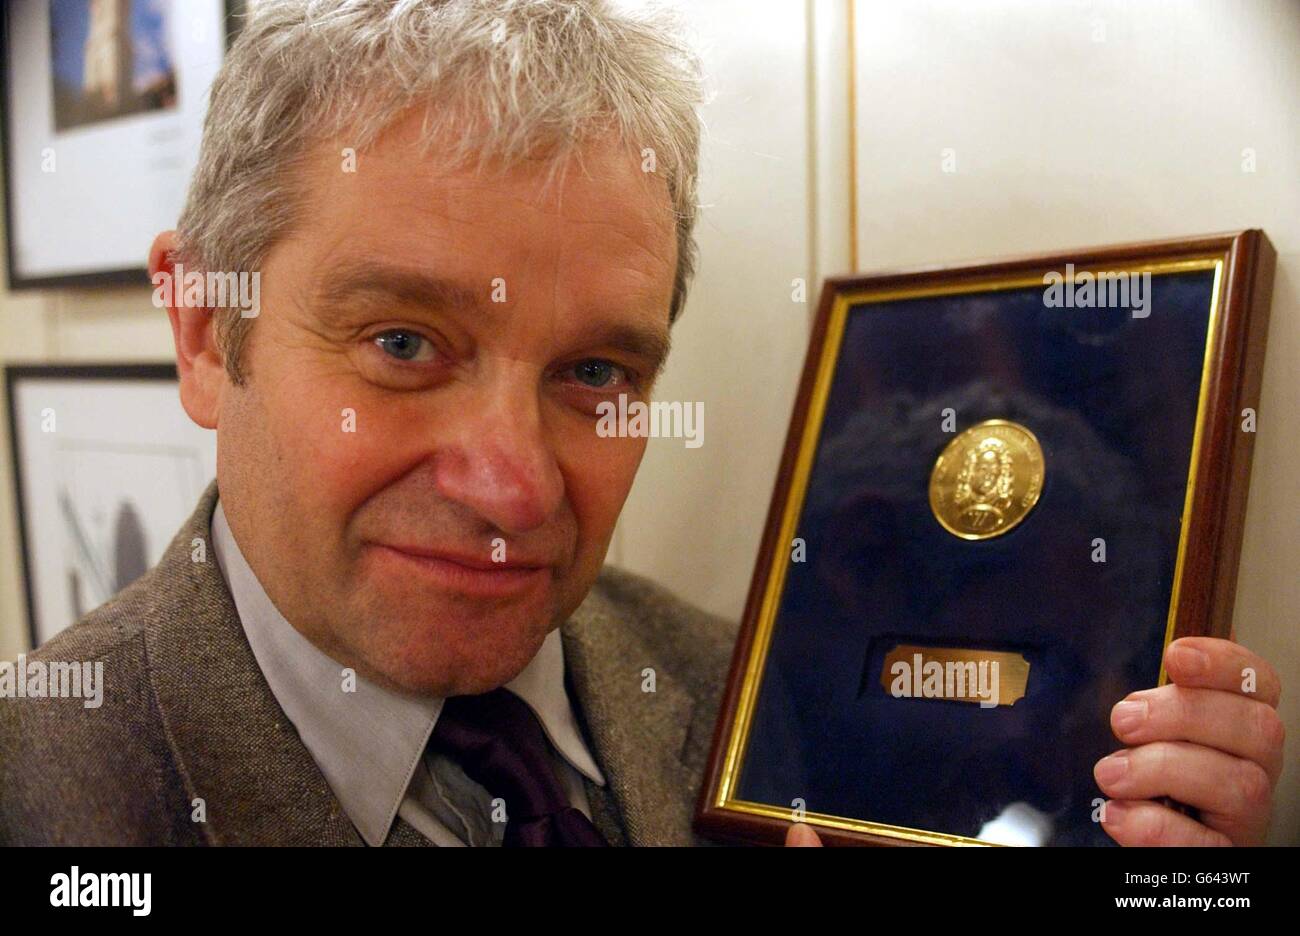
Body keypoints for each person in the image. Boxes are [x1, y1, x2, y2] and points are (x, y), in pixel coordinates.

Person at [0, 0, 1284, 847]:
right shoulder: (46, 798)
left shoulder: (742, 691)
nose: (513, 488)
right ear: (207, 335)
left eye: (595, 372)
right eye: (403, 344)